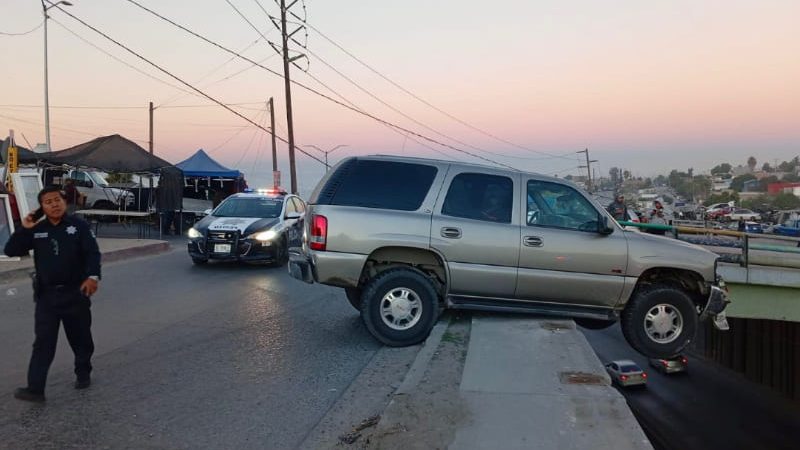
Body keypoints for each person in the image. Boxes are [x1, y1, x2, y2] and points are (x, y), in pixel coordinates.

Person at [4, 185, 101, 403]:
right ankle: (35, 389)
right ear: (42, 207)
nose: (54, 204)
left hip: (76, 293)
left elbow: (92, 253)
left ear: (64, 202)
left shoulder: (78, 226)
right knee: (43, 343)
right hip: (47, 297)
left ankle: (83, 370)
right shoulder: (38, 230)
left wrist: (92, 277)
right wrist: (25, 227)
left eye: (57, 200)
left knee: (81, 338)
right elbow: (10, 250)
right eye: (48, 202)